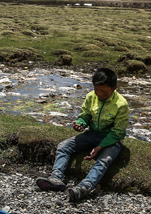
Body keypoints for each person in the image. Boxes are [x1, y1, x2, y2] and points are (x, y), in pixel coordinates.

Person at [36, 67, 129, 202]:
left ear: (114, 88)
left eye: (104, 91)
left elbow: (118, 132)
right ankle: (56, 178)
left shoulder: (121, 104)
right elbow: (85, 116)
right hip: (92, 134)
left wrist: (100, 147)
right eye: (97, 90)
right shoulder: (91, 97)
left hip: (112, 139)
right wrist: (80, 124)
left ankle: (85, 187)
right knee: (63, 146)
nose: (99, 94)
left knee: (104, 160)